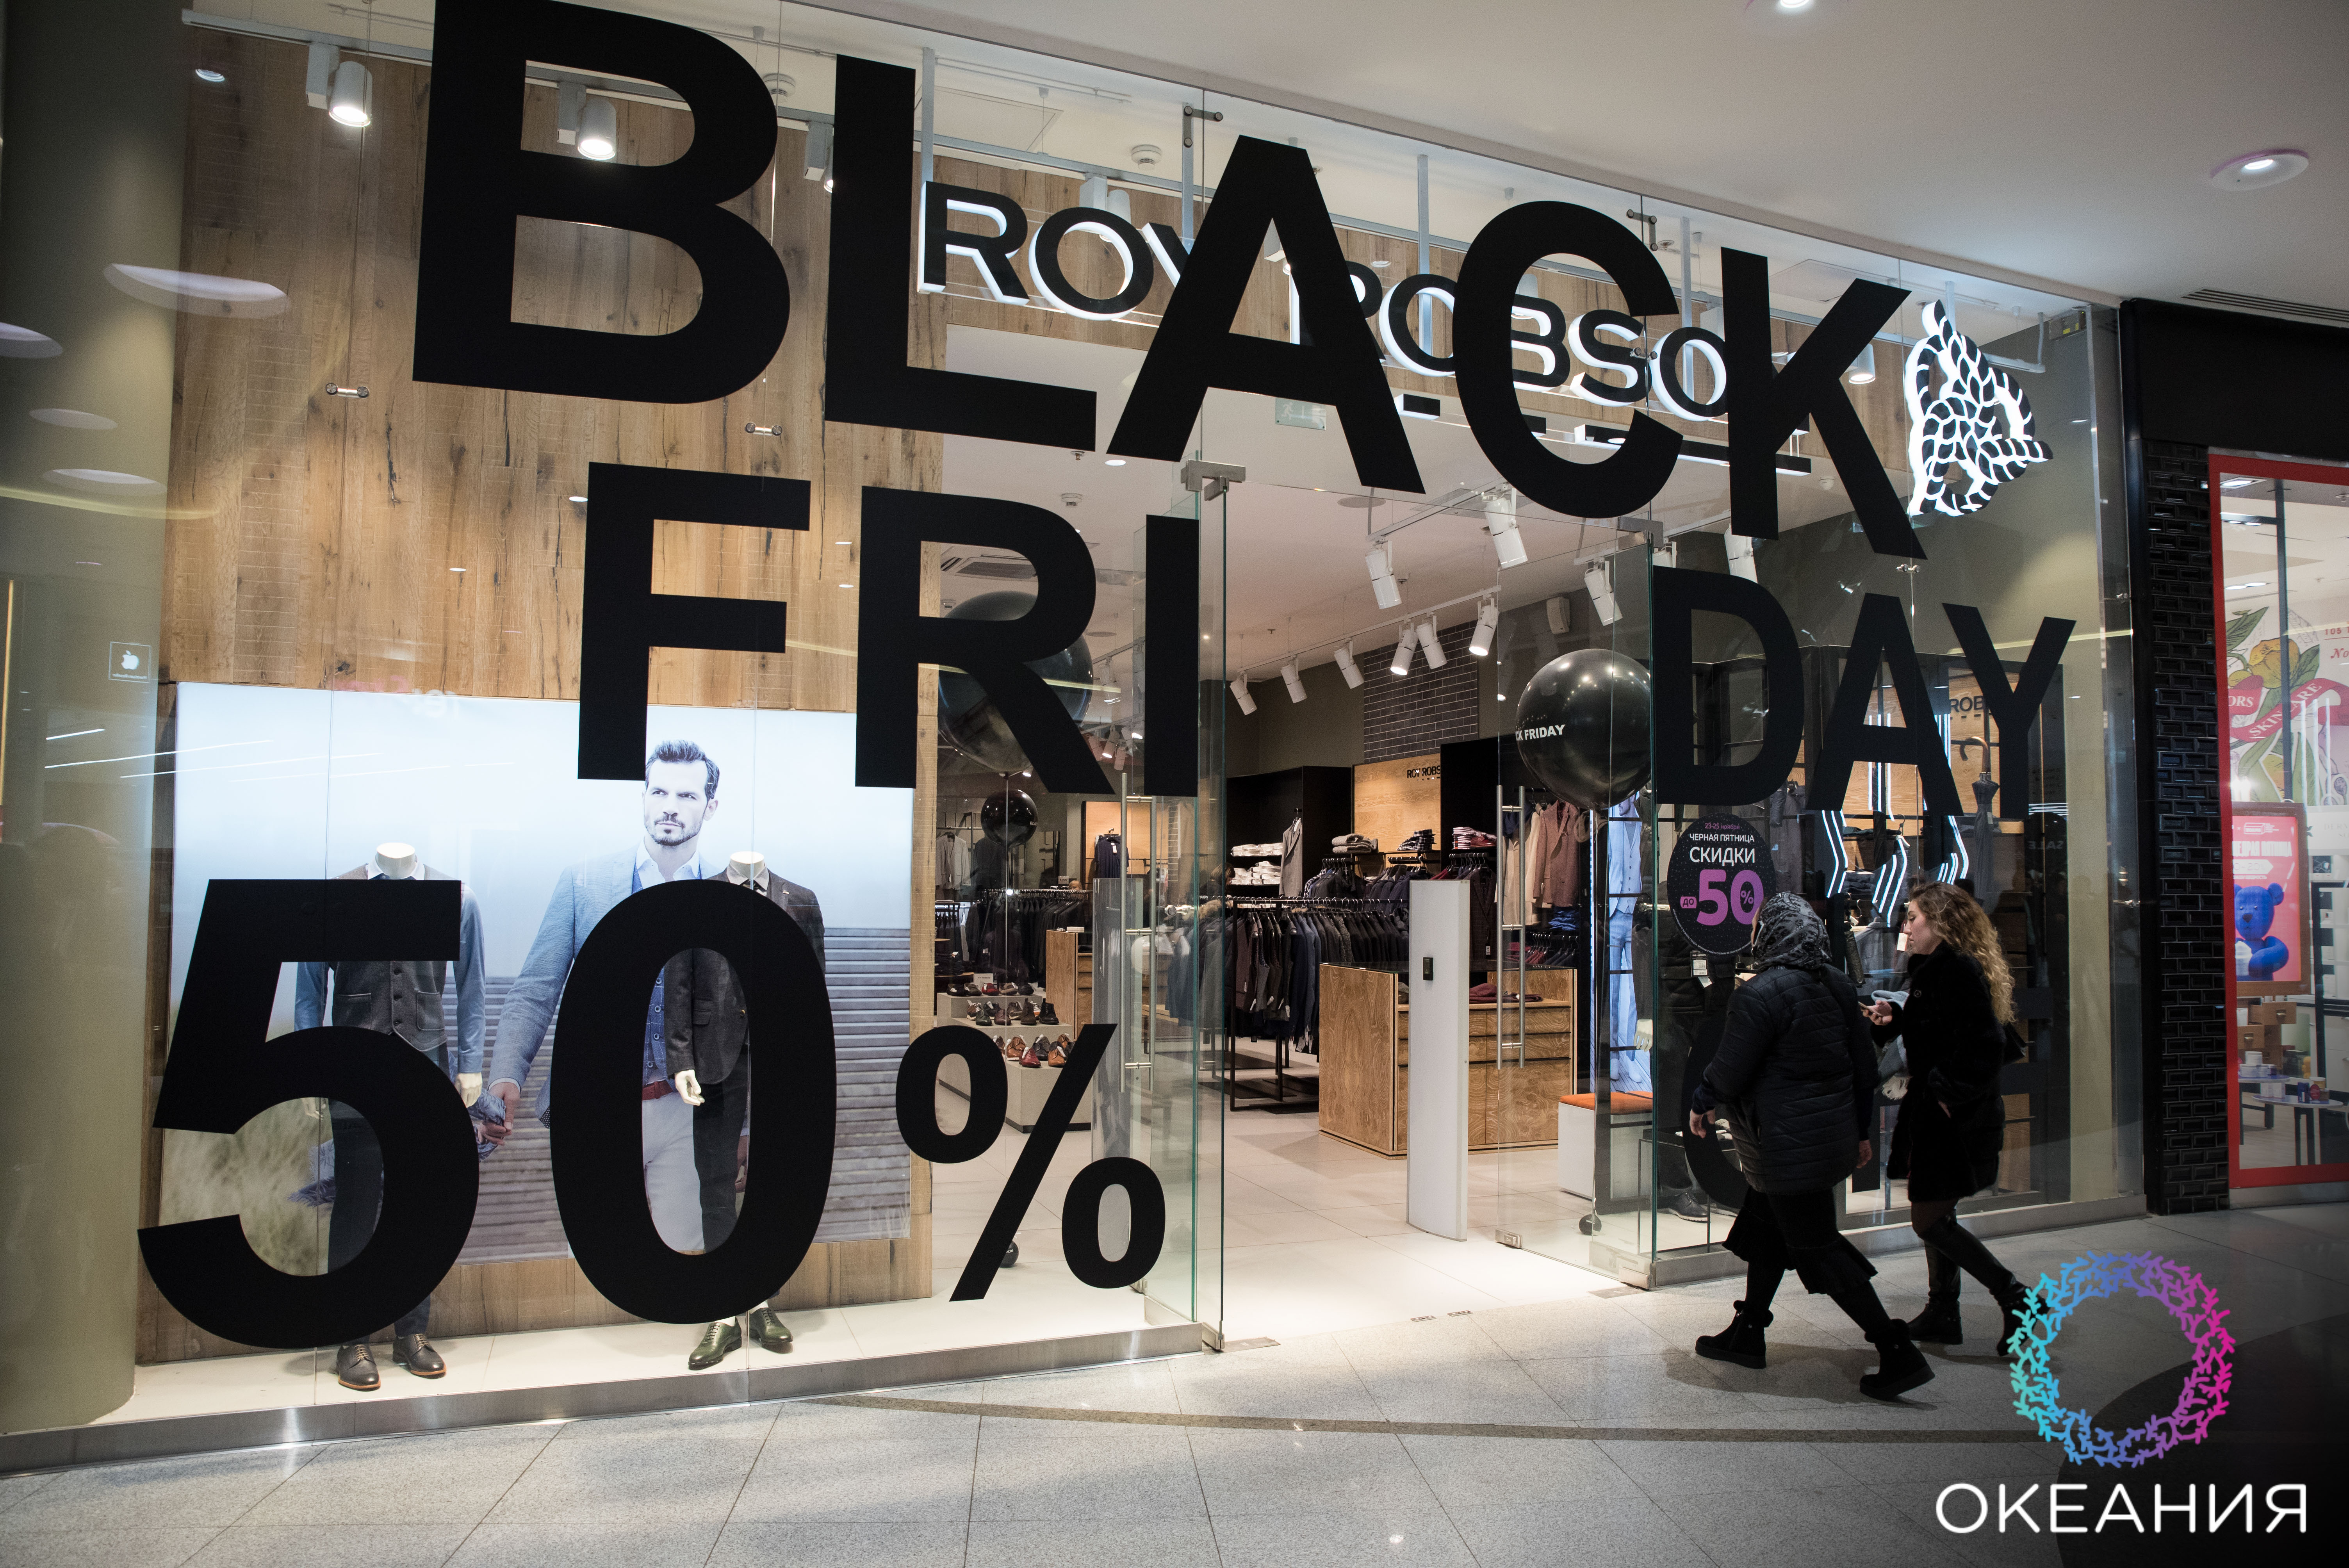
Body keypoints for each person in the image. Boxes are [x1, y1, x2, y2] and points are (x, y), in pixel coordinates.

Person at [487, 739, 726, 1257]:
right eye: (659, 792)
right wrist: (507, 1074)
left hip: (687, 1107)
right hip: (599, 1102)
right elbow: (535, 989)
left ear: (710, 806)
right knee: (608, 1250)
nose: (669, 806)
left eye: (686, 795)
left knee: (686, 1251)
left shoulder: (723, 892)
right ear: (643, 797)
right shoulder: (584, 883)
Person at [1688, 893, 1932, 1401]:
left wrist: (1703, 1100)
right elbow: (1863, 1066)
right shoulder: (1837, 983)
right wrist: (1861, 1131)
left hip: (1782, 1144)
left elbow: (1730, 1067)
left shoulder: (1759, 994)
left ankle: (1895, 1350)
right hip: (1824, 1136)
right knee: (1766, 1226)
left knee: (1817, 1246)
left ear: (1770, 934)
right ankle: (1748, 1329)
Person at [1863, 881, 2036, 1355]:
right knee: (1936, 1210)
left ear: (1940, 922)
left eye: (1914, 917)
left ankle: (2015, 1296)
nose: (1906, 925)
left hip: (1954, 1119)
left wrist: (1944, 1092)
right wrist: (1895, 1019)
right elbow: (1940, 1030)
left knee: (1928, 1218)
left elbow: (1986, 1045)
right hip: (1942, 1114)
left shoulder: (1954, 969)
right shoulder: (1933, 969)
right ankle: (1943, 1310)